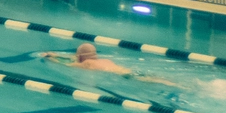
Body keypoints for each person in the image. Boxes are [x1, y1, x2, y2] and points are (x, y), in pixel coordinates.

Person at [41, 43, 176, 85]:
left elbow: (69, 64)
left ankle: (170, 83)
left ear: (81, 56)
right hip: (127, 71)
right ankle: (171, 81)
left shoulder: (87, 63)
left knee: (148, 81)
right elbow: (72, 58)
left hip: (124, 77)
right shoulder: (104, 60)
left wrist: (51, 58)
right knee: (151, 77)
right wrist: (56, 54)